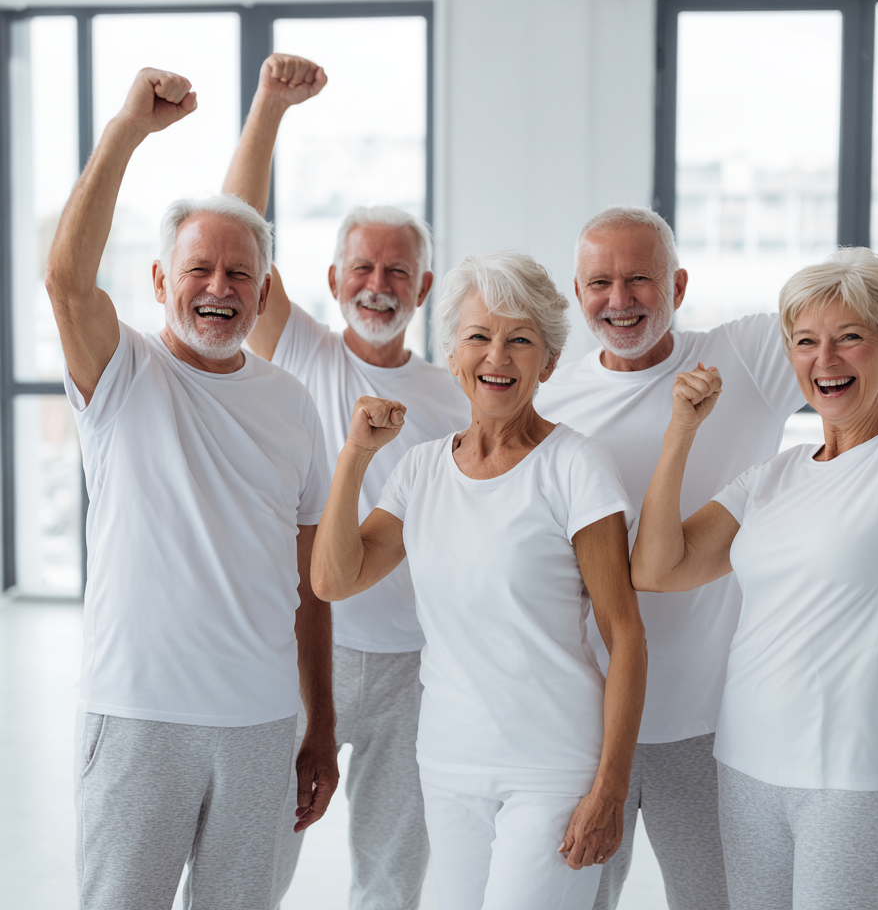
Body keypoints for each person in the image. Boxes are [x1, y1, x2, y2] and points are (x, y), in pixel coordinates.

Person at [533, 161, 878, 908]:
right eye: (600, 283)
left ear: (677, 287)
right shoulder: (552, 400)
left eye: (640, 280)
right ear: (577, 294)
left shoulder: (744, 356)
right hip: (586, 716)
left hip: (710, 721)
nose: (619, 300)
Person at [631, 122, 878, 910]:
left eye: (849, 339)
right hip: (744, 763)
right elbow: (657, 567)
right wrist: (680, 433)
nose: (824, 360)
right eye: (805, 341)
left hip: (851, 778)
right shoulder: (773, 477)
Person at [47, 67, 337, 910]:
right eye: (198, 269)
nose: (218, 289)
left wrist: (320, 726)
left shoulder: (291, 402)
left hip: (261, 726)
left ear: (264, 291)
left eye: (240, 275)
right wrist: (126, 131)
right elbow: (67, 282)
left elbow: (311, 585)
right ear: (159, 281)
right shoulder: (123, 373)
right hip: (139, 720)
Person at [310, 251, 647, 910]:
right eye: (479, 336)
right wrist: (356, 456)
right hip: (448, 763)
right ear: (452, 354)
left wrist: (611, 786)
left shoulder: (575, 466)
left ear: (548, 362)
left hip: (554, 768)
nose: (497, 356)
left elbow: (626, 635)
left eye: (520, 339)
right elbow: (333, 579)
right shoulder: (419, 470)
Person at [222, 53, 470, 909]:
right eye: (362, 268)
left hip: (416, 665)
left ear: (424, 288)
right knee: (263, 852)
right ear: (332, 281)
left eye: (397, 271)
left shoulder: (457, 393)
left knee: (392, 875)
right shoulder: (302, 349)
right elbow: (237, 229)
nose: (378, 284)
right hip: (301, 646)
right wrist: (269, 109)